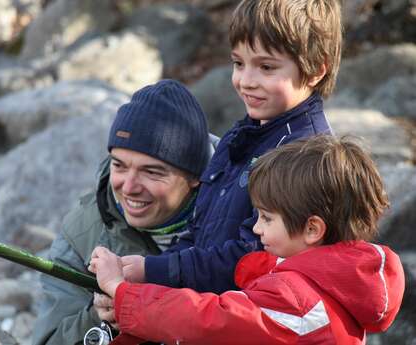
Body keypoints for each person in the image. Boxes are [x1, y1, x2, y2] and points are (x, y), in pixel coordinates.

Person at [89, 135, 406, 345]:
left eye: (267, 218)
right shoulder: (331, 285)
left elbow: (207, 320)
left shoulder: (297, 299)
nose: (256, 229)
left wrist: (123, 293)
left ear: (312, 229)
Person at [120, 0, 343, 294]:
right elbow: (198, 233)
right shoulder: (238, 137)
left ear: (315, 70)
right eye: (239, 63)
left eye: (266, 67)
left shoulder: (305, 158)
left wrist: (150, 271)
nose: (245, 81)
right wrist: (143, 282)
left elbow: (250, 259)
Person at [32, 79, 216, 345]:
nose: (128, 187)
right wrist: (100, 317)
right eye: (119, 166)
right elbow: (49, 341)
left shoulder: (248, 217)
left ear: (196, 176)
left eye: (151, 172)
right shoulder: (84, 231)